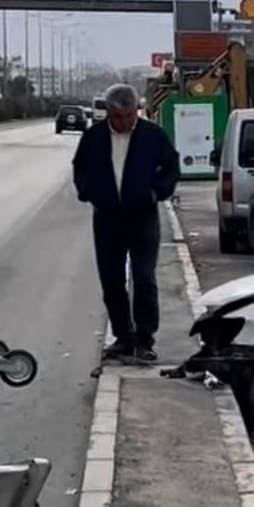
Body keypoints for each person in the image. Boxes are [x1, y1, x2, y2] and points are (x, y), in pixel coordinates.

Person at [73, 84, 181, 363]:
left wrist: (156, 192)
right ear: (108, 112)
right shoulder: (94, 138)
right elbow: (80, 167)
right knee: (111, 280)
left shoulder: (152, 136)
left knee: (144, 277)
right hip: (107, 219)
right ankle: (123, 336)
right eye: (118, 116)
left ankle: (145, 339)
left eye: (129, 115)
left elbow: (171, 167)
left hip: (143, 218)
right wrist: (89, 192)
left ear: (137, 111)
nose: (124, 122)